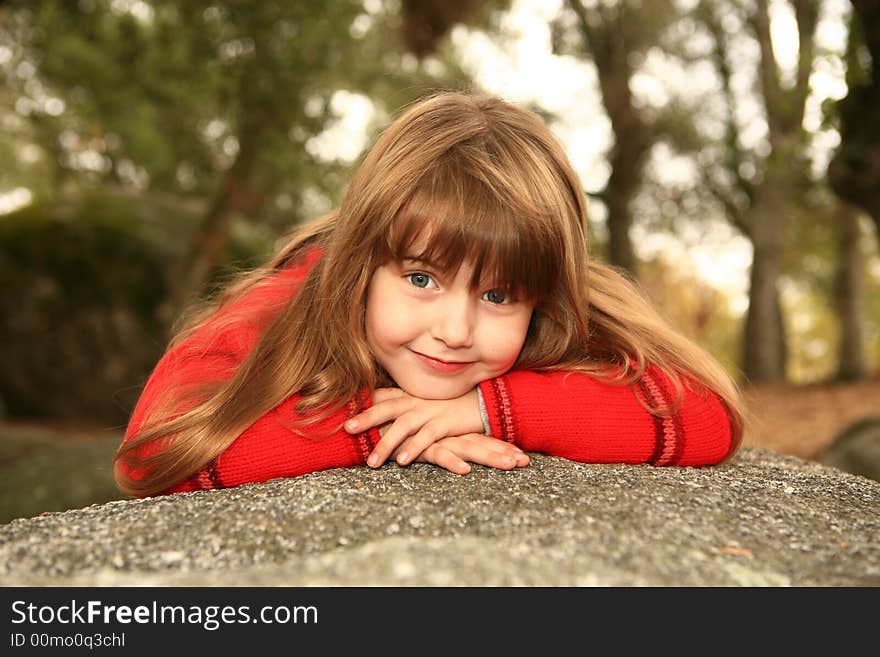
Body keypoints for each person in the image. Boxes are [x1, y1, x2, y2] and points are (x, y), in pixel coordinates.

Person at [115, 91, 744, 498]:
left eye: (498, 296)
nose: (455, 329)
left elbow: (709, 417)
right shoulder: (293, 296)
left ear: (540, 297)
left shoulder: (566, 303)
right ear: (363, 264)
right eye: (421, 279)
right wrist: (383, 432)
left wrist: (489, 410)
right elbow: (153, 454)